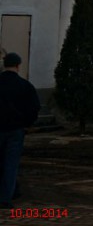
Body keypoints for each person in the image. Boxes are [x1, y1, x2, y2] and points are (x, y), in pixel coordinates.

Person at [0, 53, 40, 208]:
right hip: (16, 129)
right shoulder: (24, 85)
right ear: (18, 66)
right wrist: (27, 124)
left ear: (4, 64)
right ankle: (5, 197)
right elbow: (34, 107)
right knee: (11, 163)